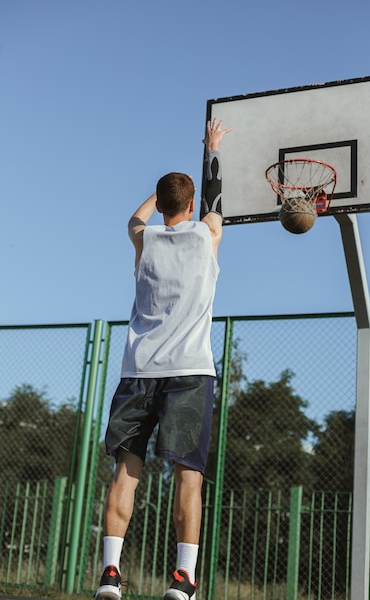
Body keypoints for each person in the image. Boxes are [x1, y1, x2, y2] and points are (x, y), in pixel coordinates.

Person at [95, 118, 232, 600]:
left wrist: (156, 195)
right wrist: (212, 148)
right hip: (190, 372)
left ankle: (111, 574)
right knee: (187, 476)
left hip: (139, 371)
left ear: (162, 206)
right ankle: (182, 579)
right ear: (190, 206)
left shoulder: (144, 240)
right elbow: (215, 202)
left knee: (126, 472)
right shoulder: (205, 235)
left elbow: (134, 221)